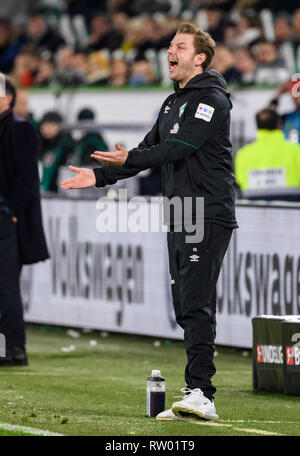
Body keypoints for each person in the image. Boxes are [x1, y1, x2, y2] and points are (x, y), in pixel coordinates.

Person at [61, 23, 238, 421]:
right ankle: (195, 390)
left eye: (179, 46)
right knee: (185, 305)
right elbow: (145, 151)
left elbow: (177, 149)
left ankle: (202, 393)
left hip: (206, 212)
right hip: (180, 212)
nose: (169, 52)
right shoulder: (171, 103)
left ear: (200, 58)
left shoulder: (211, 100)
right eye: (169, 46)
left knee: (196, 303)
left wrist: (130, 161)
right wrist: (99, 176)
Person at [0, 76, 49, 366]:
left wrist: (11, 211)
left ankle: (14, 348)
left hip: (5, 218)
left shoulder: (20, 129)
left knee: (5, 283)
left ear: (7, 99)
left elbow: (29, 176)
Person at [235, 107, 300, 201]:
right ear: (279, 125)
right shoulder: (296, 151)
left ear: (257, 127)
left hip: (253, 211)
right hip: (292, 210)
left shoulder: (243, 154)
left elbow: (240, 183)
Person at [39, 111, 75, 193]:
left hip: (58, 194)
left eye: (50, 125)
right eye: (44, 125)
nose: (46, 128)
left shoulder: (66, 146)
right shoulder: (40, 145)